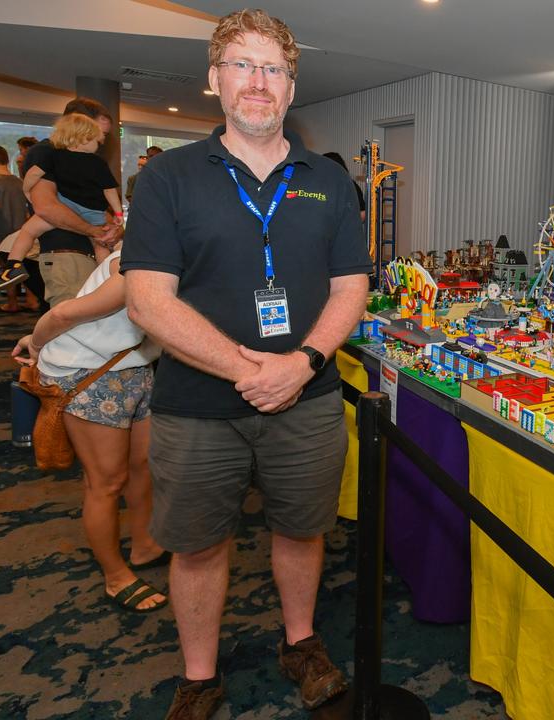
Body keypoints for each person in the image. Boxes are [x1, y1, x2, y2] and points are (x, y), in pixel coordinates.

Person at [121, 9, 369, 718]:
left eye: (274, 69)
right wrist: (248, 369)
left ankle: (301, 643)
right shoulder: (167, 177)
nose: (258, 82)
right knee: (197, 546)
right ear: (214, 79)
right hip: (197, 406)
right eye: (243, 65)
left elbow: (353, 286)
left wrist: (303, 361)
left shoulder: (325, 180)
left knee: (302, 529)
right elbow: (147, 301)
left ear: (291, 89)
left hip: (310, 397)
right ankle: (200, 676)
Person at [11, 248, 168, 612]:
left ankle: (144, 545)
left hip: (135, 366)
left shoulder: (186, 255)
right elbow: (64, 312)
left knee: (143, 464)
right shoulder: (137, 263)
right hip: (86, 373)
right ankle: (115, 576)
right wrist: (34, 345)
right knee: (106, 481)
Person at [0, 114, 121, 290]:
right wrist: (118, 213)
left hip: (66, 207)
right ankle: (107, 279)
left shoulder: (54, 156)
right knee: (100, 246)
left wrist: (26, 190)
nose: (100, 146)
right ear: (84, 137)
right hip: (94, 212)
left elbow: (33, 175)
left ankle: (13, 265)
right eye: (98, 141)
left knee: (28, 231)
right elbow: (109, 190)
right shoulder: (98, 162)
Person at [23, 98, 119, 307]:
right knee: (68, 323)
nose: (101, 140)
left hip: (88, 250)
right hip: (65, 252)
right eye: (97, 132)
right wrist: (93, 230)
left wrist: (111, 227)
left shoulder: (85, 157)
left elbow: (95, 202)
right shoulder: (47, 152)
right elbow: (47, 207)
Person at [0, 145, 43, 312]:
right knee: (25, 266)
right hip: (20, 229)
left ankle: (12, 303)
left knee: (6, 268)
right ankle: (32, 299)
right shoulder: (19, 182)